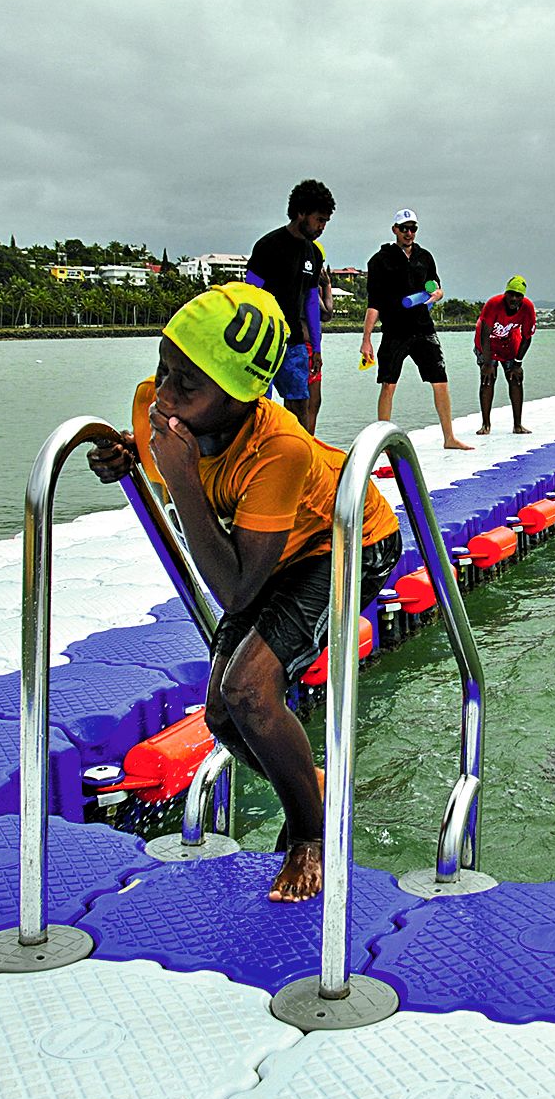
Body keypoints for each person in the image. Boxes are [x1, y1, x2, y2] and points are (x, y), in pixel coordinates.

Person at [86, 283, 402, 903]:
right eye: (164, 369)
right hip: (270, 553)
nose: (166, 395)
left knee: (249, 687)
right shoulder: (161, 405)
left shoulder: (276, 447)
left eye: (188, 385)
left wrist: (179, 481)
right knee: (223, 716)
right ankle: (311, 784)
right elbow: (164, 460)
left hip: (345, 539)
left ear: (241, 397)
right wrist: (132, 458)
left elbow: (234, 588)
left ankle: (313, 833)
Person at [361, 208, 473, 450]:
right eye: (404, 228)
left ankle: (449, 438)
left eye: (413, 228)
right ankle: (383, 444)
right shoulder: (379, 261)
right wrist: (366, 340)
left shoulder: (425, 257)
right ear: (395, 230)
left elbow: (437, 289)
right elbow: (374, 303)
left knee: (440, 381)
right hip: (394, 330)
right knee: (388, 384)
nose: (409, 233)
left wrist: (436, 295)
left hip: (424, 328)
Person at [243, 179, 332, 429]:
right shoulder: (268, 247)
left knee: (299, 407)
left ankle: (299, 461)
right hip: (263, 344)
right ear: (301, 213)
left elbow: (312, 302)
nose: (322, 227)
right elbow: (249, 295)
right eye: (319, 220)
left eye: (326, 221)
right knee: (260, 409)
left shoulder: (313, 254)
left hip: (294, 345)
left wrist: (316, 348)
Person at [473, 275, 536, 435]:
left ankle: (518, 424)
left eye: (518, 295)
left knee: (515, 379)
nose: (514, 298)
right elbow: (485, 335)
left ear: (523, 297)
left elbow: (527, 338)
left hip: (509, 344)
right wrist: (487, 364)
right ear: (505, 293)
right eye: (511, 294)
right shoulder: (493, 304)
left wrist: (518, 363)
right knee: (487, 379)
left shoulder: (528, 308)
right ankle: (486, 424)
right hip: (487, 344)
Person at [303, 239, 334, 434]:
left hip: (300, 344)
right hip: (307, 346)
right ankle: (307, 442)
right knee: (312, 402)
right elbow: (327, 313)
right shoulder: (310, 284)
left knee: (301, 400)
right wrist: (328, 286)